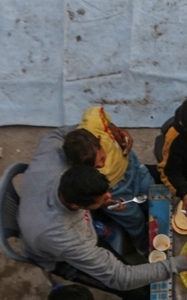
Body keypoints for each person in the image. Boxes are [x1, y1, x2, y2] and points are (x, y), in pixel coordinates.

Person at [19, 164, 187, 300]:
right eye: (102, 198)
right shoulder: (66, 239)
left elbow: (57, 134)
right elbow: (120, 278)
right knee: (139, 293)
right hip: (58, 256)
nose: (110, 197)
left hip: (53, 214)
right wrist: (182, 263)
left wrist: (115, 134)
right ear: (77, 206)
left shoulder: (54, 161)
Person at [61, 106, 153, 249]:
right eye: (97, 167)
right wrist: (106, 203)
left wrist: (113, 128)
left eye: (102, 158)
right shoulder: (79, 176)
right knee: (135, 221)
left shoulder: (93, 123)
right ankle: (144, 248)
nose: (102, 164)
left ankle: (157, 223)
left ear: (98, 139)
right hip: (116, 192)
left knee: (154, 196)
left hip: (134, 169)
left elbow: (97, 111)